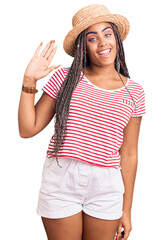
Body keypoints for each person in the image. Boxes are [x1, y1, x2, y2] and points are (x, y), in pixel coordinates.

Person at [18, 4, 146, 240]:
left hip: (107, 185)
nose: (102, 43)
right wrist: (28, 81)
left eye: (107, 34)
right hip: (62, 180)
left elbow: (129, 153)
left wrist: (126, 210)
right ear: (83, 46)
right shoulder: (65, 78)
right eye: (92, 38)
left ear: (117, 39)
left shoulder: (134, 92)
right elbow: (28, 129)